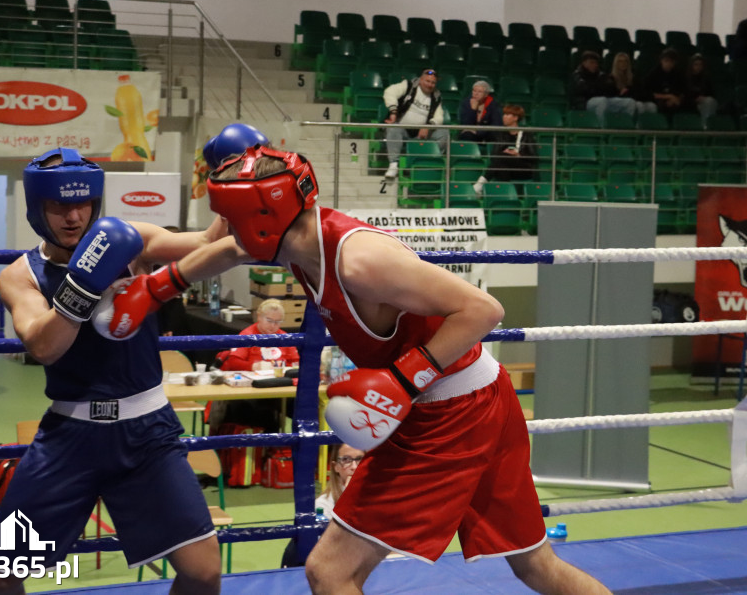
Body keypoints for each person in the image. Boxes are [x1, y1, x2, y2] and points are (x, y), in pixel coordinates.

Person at [205, 139, 611, 595]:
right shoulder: (299, 244)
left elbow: (484, 309)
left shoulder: (357, 261)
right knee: (535, 566)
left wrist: (401, 378)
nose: (226, 233)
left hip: (453, 409)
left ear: (261, 221)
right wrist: (155, 285)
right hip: (470, 398)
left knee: (330, 570)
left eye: (232, 220)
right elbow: (202, 249)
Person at [0, 148, 240, 595]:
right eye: (59, 206)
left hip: (147, 433)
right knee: (1, 574)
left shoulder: (129, 238)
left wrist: (229, 179)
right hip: (71, 436)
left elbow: (206, 245)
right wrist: (83, 283)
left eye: (82, 204)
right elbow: (44, 347)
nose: (73, 216)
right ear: (37, 208)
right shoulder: (20, 275)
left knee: (204, 571)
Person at [210, 298, 301, 432]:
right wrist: (254, 366)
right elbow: (233, 362)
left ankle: (301, 448)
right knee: (266, 417)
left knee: (305, 409)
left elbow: (296, 362)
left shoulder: (285, 337)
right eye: (269, 321)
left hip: (280, 389)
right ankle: (268, 449)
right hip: (254, 392)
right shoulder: (247, 335)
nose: (273, 326)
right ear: (259, 317)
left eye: (278, 322)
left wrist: (290, 368)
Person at [382, 69, 448, 180]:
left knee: (444, 133)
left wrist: (428, 126)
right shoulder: (408, 86)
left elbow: (439, 117)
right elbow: (389, 92)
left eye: (433, 82)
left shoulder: (436, 96)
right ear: (421, 80)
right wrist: (393, 111)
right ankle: (393, 165)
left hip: (421, 133)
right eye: (427, 81)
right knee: (393, 127)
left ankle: (429, 163)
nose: (430, 85)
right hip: (403, 129)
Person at [473, 104, 536, 195]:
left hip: (522, 168)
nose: (504, 117)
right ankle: (505, 195)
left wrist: (518, 155)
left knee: (501, 159)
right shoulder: (501, 134)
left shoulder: (526, 135)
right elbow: (494, 155)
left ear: (515, 118)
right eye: (504, 114)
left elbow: (533, 156)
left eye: (507, 115)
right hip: (505, 167)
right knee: (502, 164)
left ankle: (480, 185)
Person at [570, 51, 634, 126]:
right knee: (602, 101)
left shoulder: (601, 75)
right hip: (586, 102)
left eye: (596, 63)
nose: (595, 65)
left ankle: (625, 128)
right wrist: (600, 88)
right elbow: (585, 90)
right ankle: (602, 128)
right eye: (592, 62)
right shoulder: (577, 75)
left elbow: (609, 90)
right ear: (584, 63)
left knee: (629, 102)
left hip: (604, 99)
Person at [638, 48, 687, 118]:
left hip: (674, 102)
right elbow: (647, 93)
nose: (668, 64)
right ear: (661, 61)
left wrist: (677, 99)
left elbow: (684, 91)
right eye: (666, 61)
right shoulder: (653, 74)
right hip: (657, 102)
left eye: (671, 61)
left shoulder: (678, 74)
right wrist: (668, 97)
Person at [457, 80, 503, 149]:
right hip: (471, 133)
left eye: (479, 92)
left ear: (486, 94)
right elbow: (466, 124)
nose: (476, 94)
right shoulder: (466, 103)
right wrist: (472, 110)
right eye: (474, 91)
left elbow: (496, 125)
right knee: (466, 134)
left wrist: (479, 132)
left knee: (496, 135)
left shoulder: (493, 105)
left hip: (487, 133)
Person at [683, 53, 718, 126]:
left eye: (700, 64)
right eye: (696, 64)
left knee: (710, 102)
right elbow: (684, 95)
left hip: (705, 103)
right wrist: (695, 100)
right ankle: (705, 125)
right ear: (691, 65)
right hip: (690, 104)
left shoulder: (706, 79)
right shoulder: (685, 79)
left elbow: (712, 94)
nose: (698, 67)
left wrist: (704, 98)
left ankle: (708, 125)